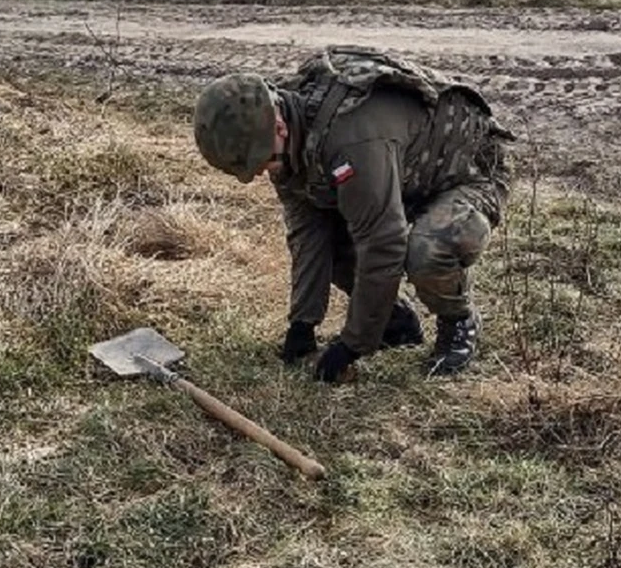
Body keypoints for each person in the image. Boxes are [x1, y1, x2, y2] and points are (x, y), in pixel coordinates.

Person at [192, 45, 513, 383]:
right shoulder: (286, 136)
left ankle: (459, 320)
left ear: (279, 126)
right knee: (336, 241)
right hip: (406, 177)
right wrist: (303, 323)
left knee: (428, 249)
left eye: (264, 161)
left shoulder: (349, 138)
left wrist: (354, 344)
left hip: (470, 172)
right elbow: (309, 231)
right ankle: (397, 322)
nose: (263, 172)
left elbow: (383, 242)